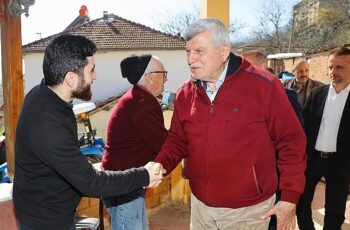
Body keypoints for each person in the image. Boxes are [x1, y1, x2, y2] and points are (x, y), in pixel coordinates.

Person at [154, 18, 306, 229]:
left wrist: (289, 198)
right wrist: (160, 164)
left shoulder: (264, 86)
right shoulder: (184, 94)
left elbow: (292, 141)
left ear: (224, 51)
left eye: (199, 51)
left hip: (248, 212)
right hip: (200, 207)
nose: (190, 59)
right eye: (188, 52)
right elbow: (177, 140)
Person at [13, 34, 163, 230]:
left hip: (46, 211)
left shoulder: (44, 94)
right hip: (46, 222)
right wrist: (144, 175)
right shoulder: (48, 122)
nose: (95, 76)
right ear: (71, 78)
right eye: (91, 70)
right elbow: (91, 184)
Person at [101, 54, 168, 230]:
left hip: (124, 182)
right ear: (150, 77)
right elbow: (162, 143)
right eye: (163, 73)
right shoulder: (141, 102)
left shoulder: (138, 98)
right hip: (124, 186)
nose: (166, 78)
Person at [296, 46, 350, 230]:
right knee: (301, 203)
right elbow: (303, 127)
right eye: (330, 67)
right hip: (312, 159)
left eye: (339, 67)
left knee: (335, 211)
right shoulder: (318, 94)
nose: (333, 71)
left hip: (340, 163)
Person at [242, 50, 304, 126]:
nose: (242, 72)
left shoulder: (286, 96)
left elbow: (296, 131)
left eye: (247, 67)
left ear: (263, 66)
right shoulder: (237, 96)